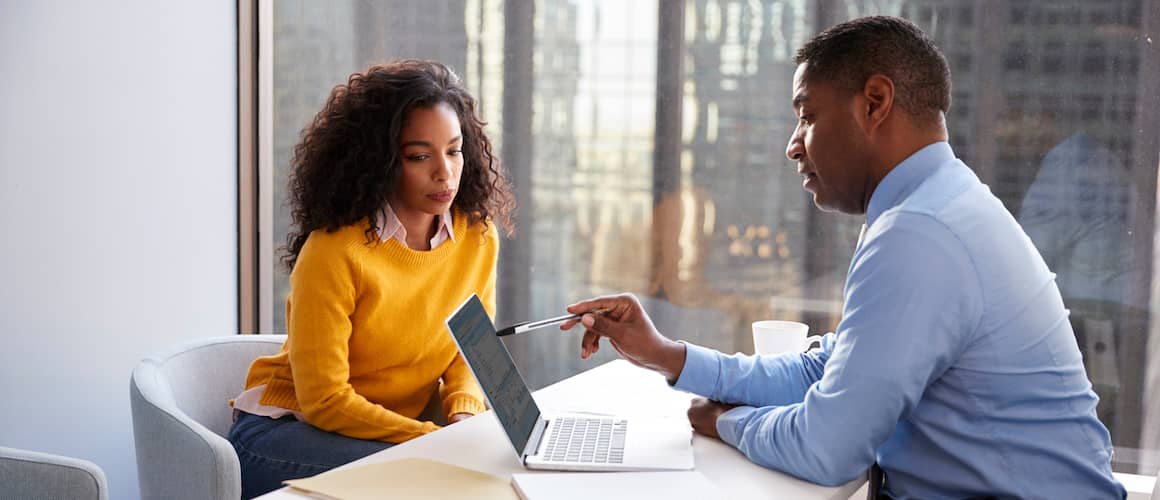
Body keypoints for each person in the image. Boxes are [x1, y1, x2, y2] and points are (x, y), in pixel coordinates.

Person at [561, 16, 1124, 499]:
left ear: (875, 103)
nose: (793, 142)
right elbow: (826, 367)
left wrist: (725, 420)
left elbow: (827, 446)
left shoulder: (920, 232)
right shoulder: (938, 202)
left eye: (806, 115)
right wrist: (669, 356)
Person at [227, 60, 515, 498]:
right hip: (284, 434)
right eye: (419, 156)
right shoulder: (335, 252)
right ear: (379, 161)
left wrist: (462, 416)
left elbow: (467, 351)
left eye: (454, 150)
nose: (445, 173)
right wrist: (430, 439)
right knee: (433, 484)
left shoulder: (477, 236)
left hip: (385, 433)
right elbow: (324, 402)